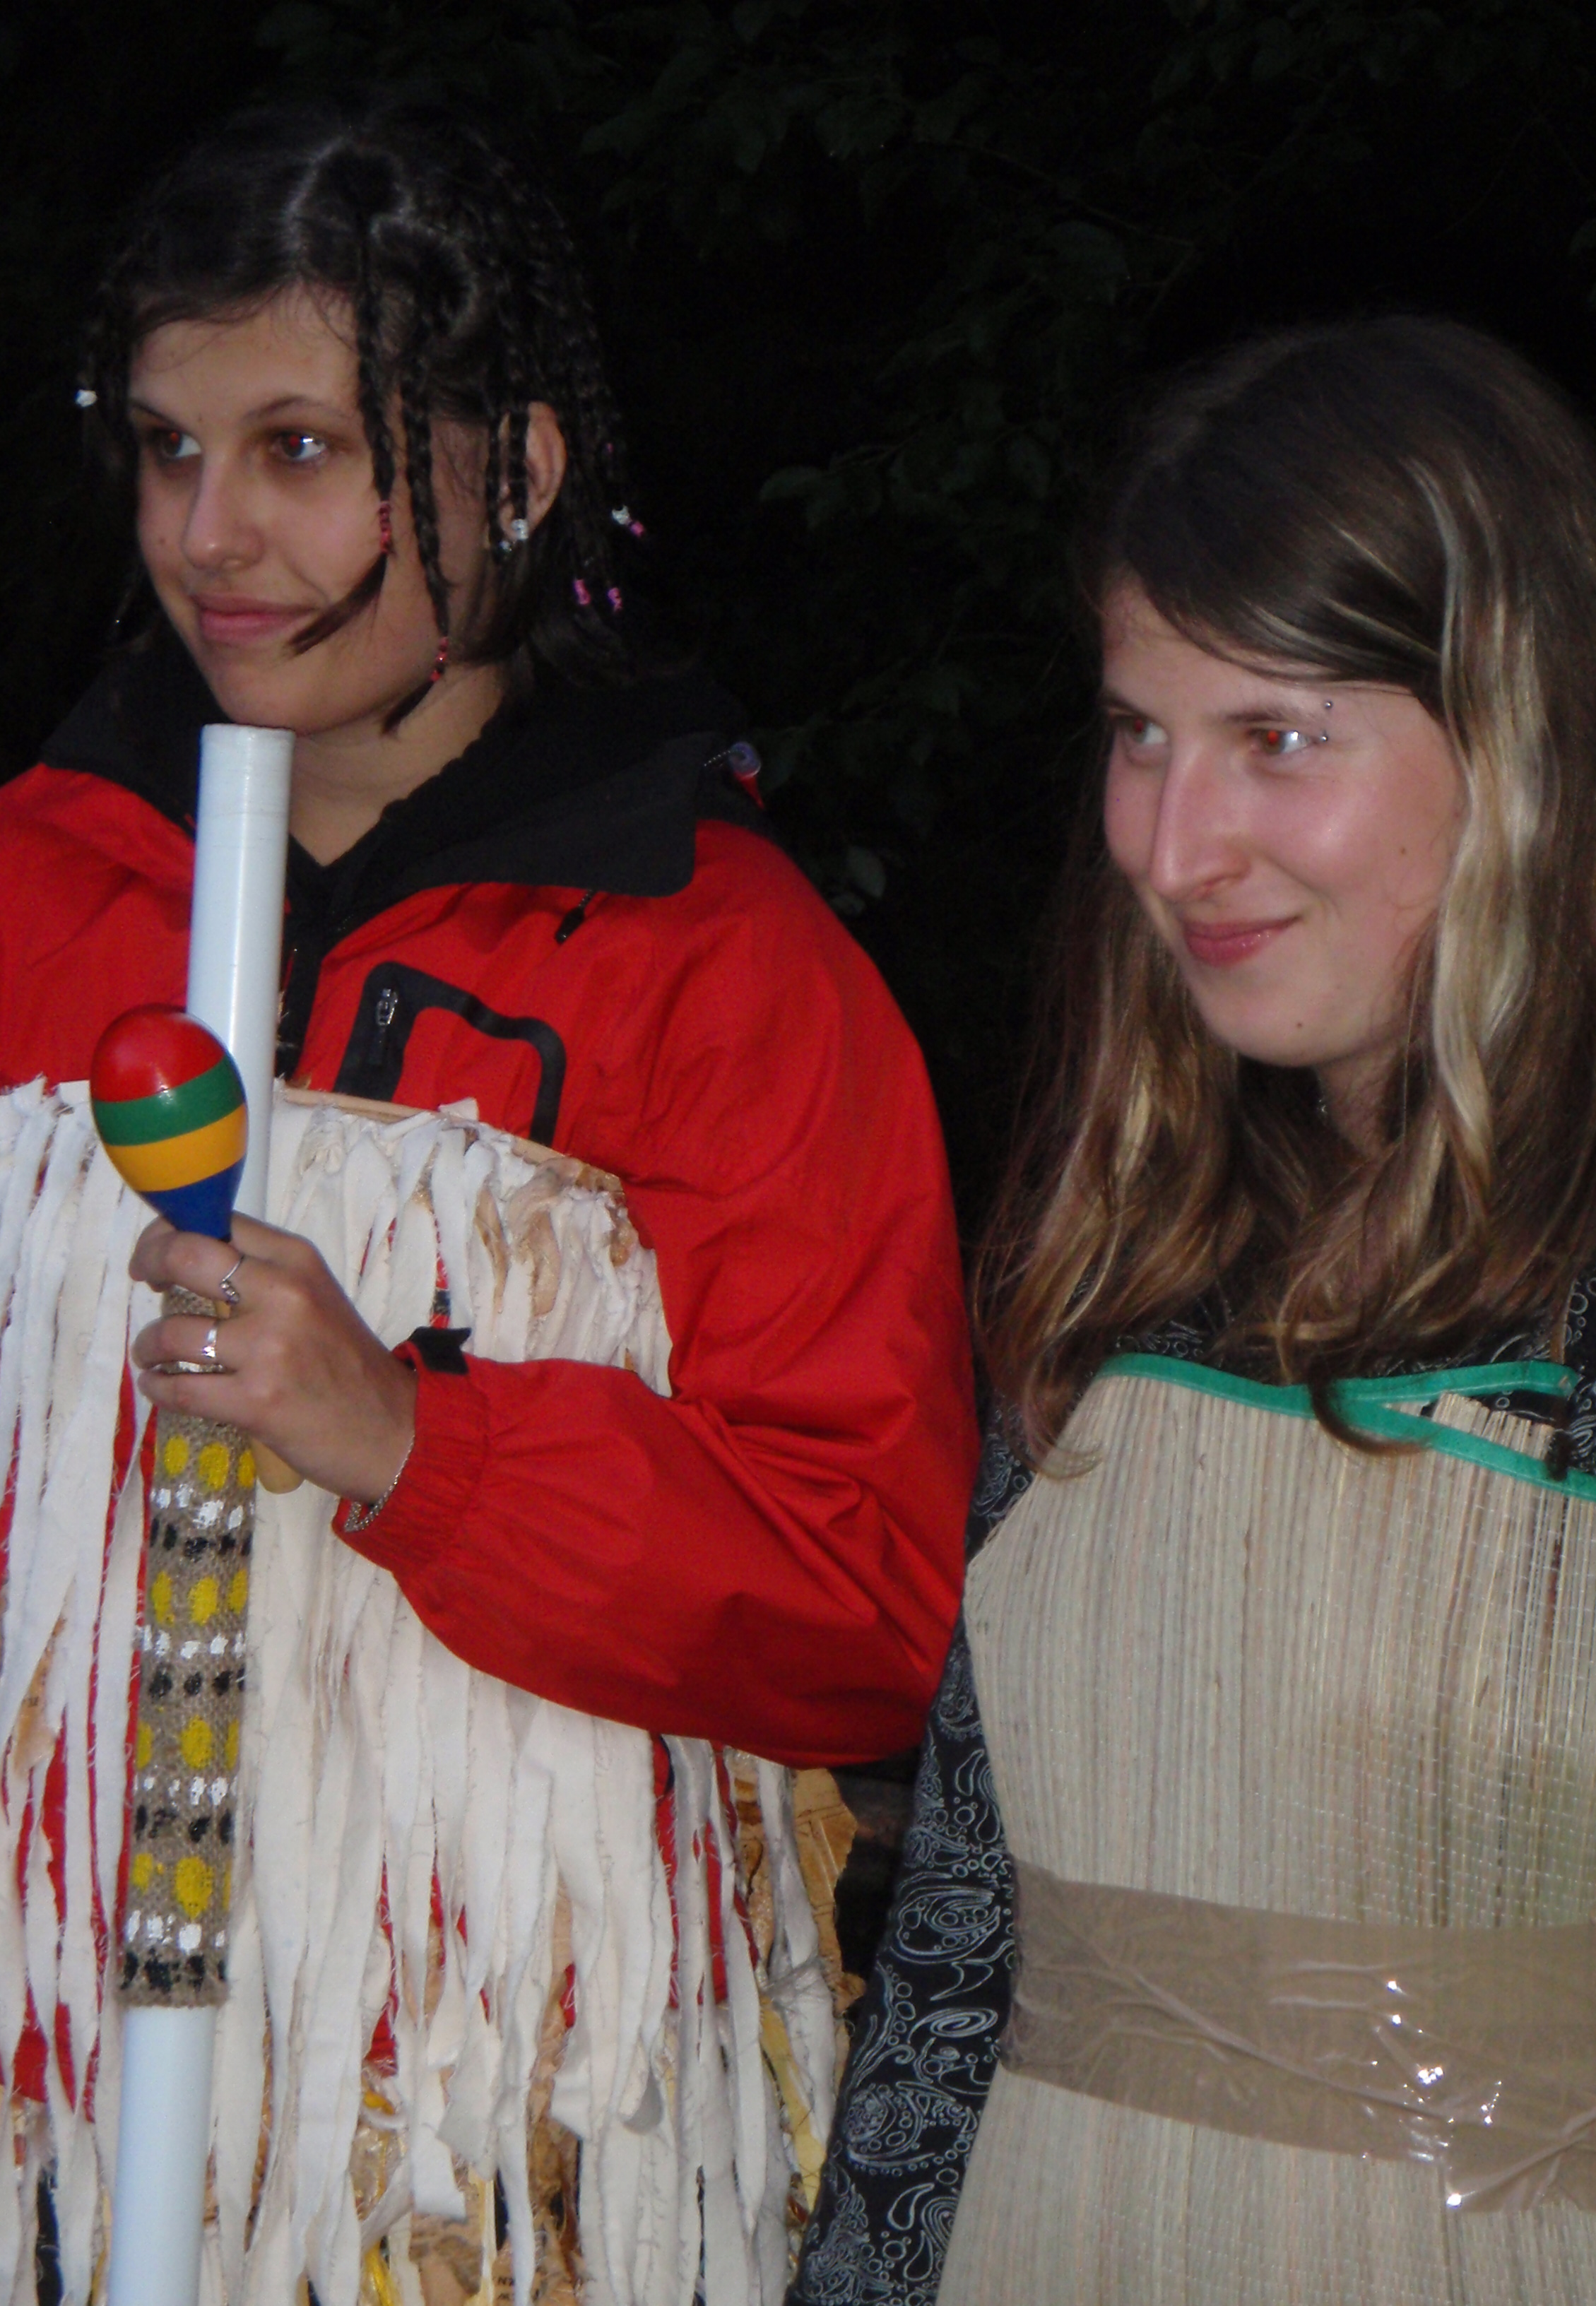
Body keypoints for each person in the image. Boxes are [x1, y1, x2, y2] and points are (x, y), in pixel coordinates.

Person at [0, 95, 974, 2104]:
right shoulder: (32, 882)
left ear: (512, 471)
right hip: (52, 2068)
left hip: (489, 2107)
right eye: (167, 448)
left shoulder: (717, 964)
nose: (206, 536)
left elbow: (879, 1606)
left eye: (298, 450)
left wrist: (416, 1445)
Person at [791, 317, 1596, 2306]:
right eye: (1140, 733)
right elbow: (957, 1962)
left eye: (1276, 738)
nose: (1170, 845)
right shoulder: (1125, 1250)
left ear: (1526, 735)